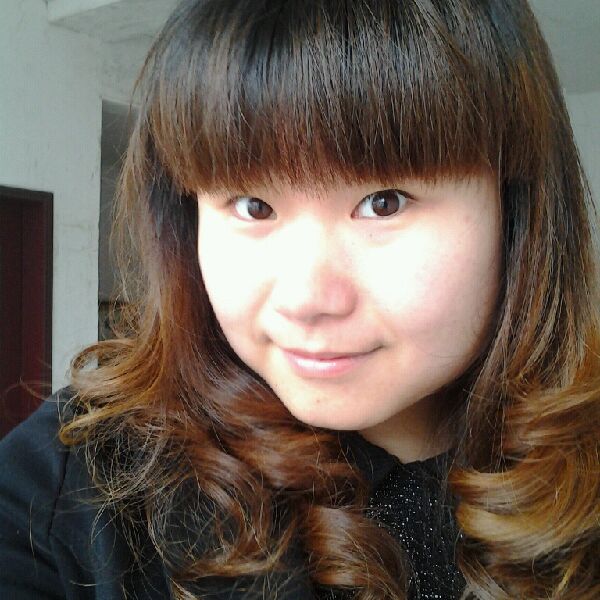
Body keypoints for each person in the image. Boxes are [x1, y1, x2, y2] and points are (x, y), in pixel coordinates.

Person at [1, 0, 598, 598]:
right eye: (253, 206)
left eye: (384, 202)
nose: (306, 300)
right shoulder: (78, 481)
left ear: (515, 211)